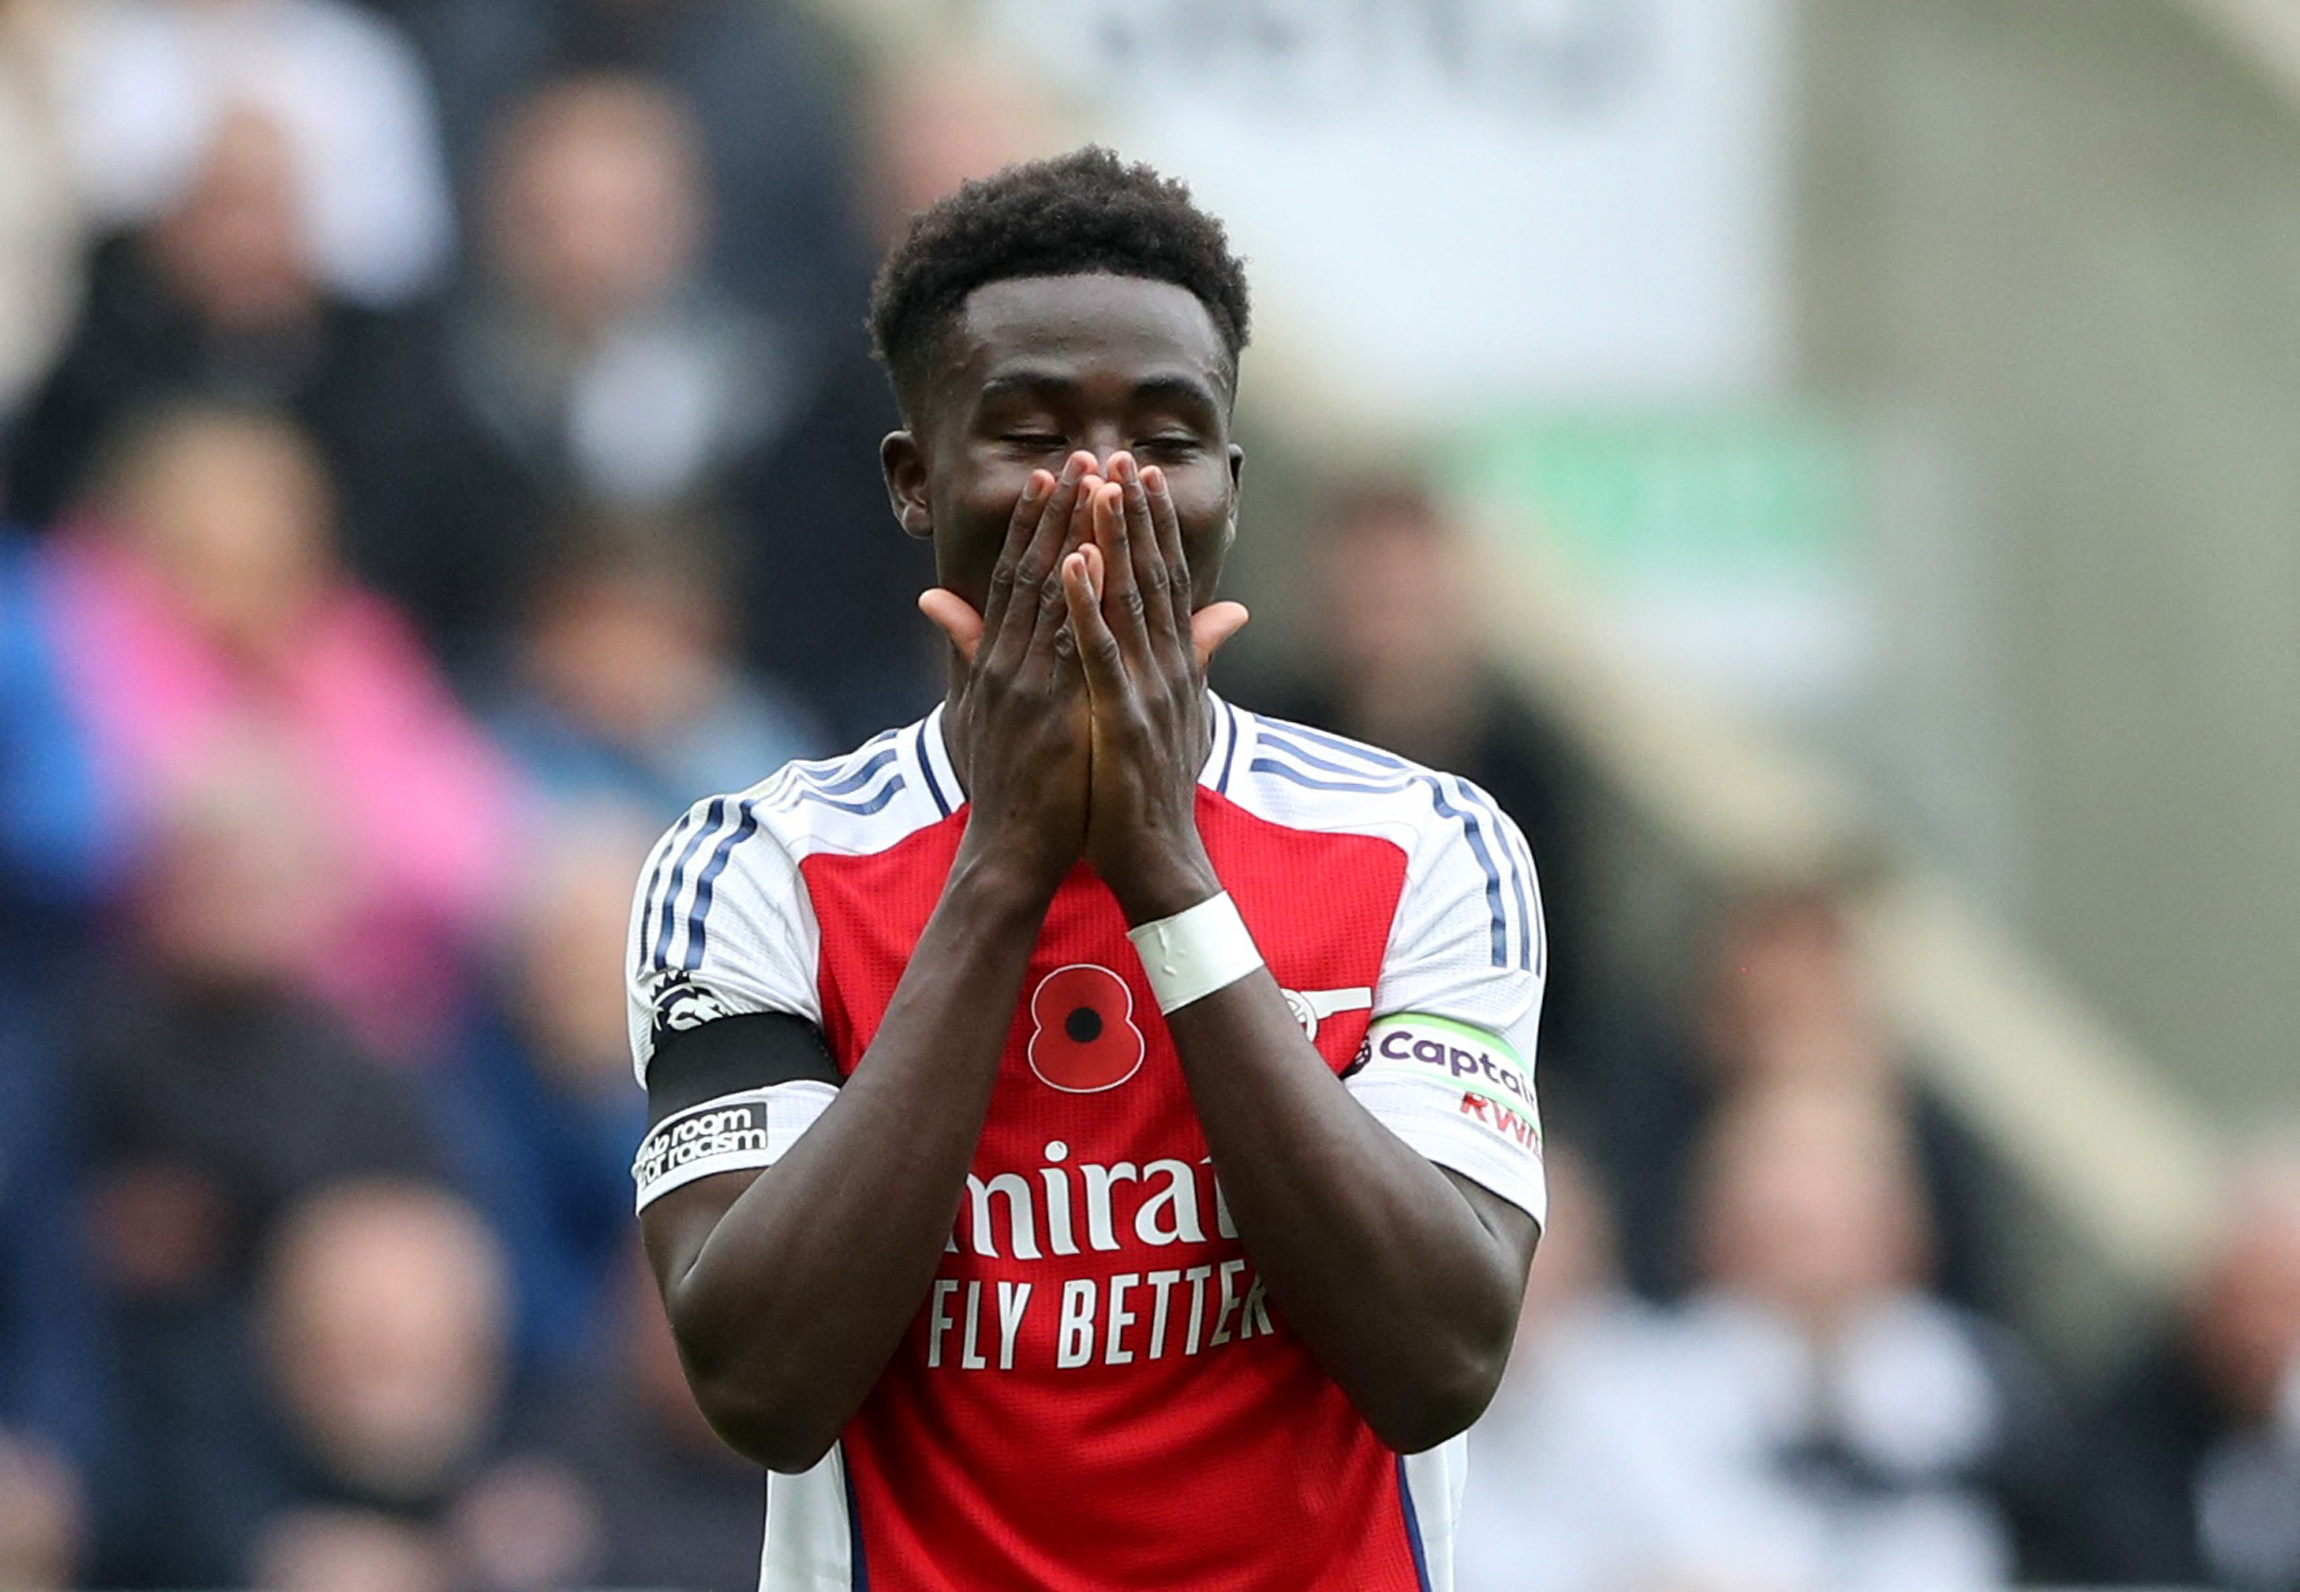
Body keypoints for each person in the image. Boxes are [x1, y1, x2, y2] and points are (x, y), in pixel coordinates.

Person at [628, 148, 1547, 1589]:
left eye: (1165, 439)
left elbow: (1437, 1356)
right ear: (913, 482)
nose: (1102, 488)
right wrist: (1003, 868)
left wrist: (1163, 870)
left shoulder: (1428, 845)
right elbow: (759, 1381)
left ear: (1231, 489)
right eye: (1032, 432)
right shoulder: (755, 868)